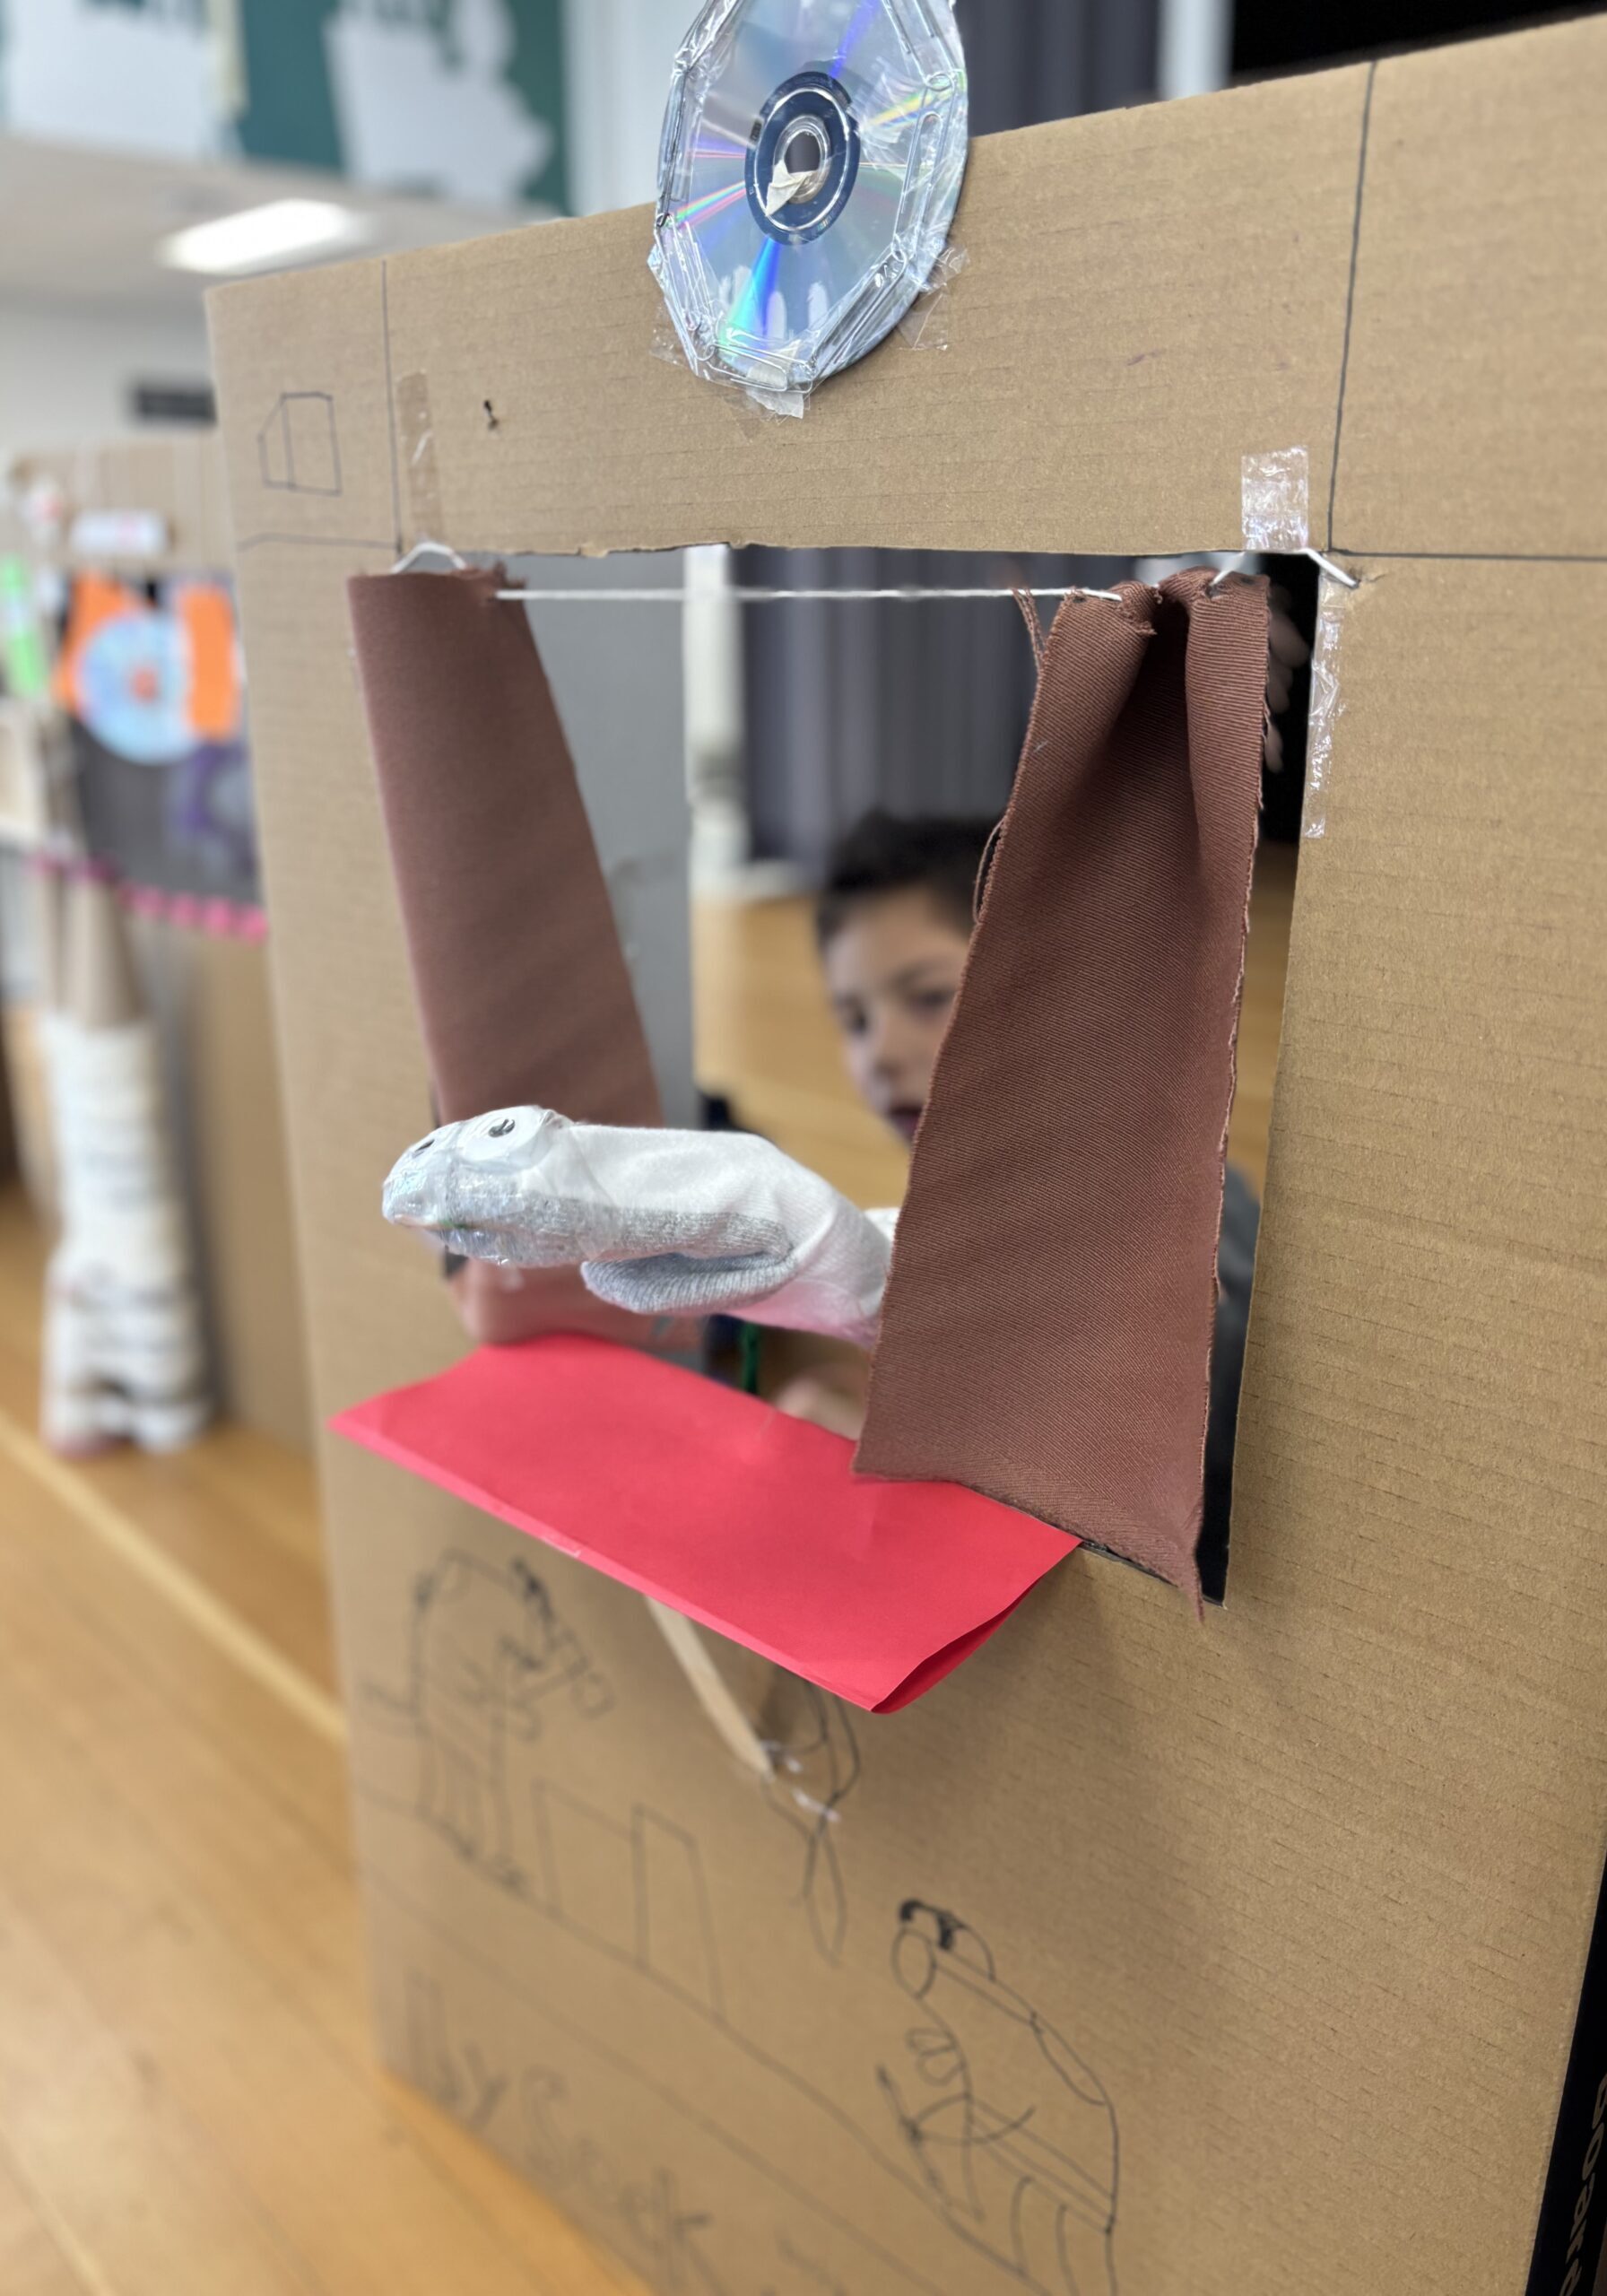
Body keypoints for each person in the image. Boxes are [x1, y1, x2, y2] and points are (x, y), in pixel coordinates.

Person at [776, 809, 1260, 1587]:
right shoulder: (991, 1195)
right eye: (854, 1018)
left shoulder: (1166, 1226)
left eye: (928, 997)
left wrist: (846, 1433)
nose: (881, 1054)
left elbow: (1067, 1526)